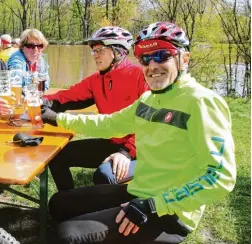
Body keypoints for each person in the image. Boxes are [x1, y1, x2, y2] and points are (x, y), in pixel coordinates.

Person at [41, 22, 236, 243]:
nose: (152, 65)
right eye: (144, 58)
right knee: (58, 204)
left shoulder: (202, 102)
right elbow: (108, 123)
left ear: (184, 59)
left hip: (169, 211)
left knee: (65, 235)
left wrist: (154, 205)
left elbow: (220, 177)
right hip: (139, 190)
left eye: (162, 55)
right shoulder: (148, 99)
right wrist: (57, 118)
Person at [43, 27, 149, 190]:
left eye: (100, 50)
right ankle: (68, 202)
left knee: (104, 174)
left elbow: (150, 123)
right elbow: (68, 95)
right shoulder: (96, 80)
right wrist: (40, 101)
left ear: (118, 52)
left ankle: (109, 213)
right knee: (57, 155)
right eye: (94, 51)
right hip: (113, 141)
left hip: (141, 149)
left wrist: (127, 152)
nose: (95, 56)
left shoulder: (140, 76)